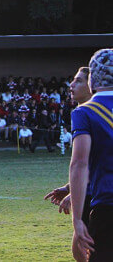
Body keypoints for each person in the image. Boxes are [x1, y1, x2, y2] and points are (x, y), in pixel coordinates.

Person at [69, 50, 113, 262]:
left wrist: (78, 219)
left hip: (107, 204)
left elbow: (79, 163)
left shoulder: (84, 112)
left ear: (93, 79)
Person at [44, 67, 94, 221]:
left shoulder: (92, 116)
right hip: (91, 195)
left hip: (100, 199)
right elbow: (92, 164)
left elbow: (102, 164)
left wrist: (75, 193)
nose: (71, 85)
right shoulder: (83, 113)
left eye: (78, 81)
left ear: (92, 85)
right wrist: (68, 188)